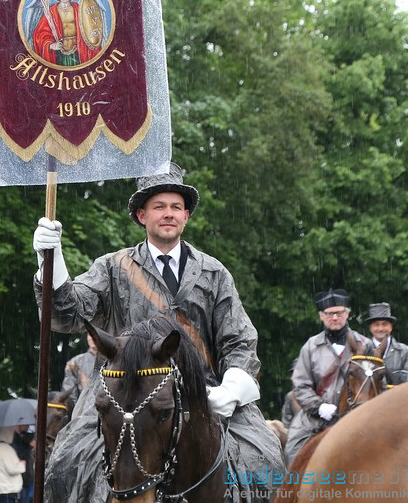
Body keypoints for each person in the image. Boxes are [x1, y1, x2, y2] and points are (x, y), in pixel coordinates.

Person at [32, 162, 285, 501]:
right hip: (124, 392)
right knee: (65, 466)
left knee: (266, 464)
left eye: (176, 207)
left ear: (186, 216)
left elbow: (238, 339)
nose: (169, 214)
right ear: (141, 215)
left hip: (205, 394)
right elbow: (66, 316)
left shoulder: (214, 272)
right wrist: (51, 262)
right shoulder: (112, 266)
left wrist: (233, 387)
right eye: (159, 207)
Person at [283, 289, 374, 463]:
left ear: (347, 314)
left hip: (356, 418)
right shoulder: (311, 346)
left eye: (339, 313)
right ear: (321, 316)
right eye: (329, 314)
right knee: (292, 455)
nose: (334, 318)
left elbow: (375, 384)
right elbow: (300, 385)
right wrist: (319, 407)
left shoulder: (365, 345)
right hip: (314, 420)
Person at [31, 0, 101, 66]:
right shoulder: (51, 11)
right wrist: (52, 45)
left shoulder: (79, 9)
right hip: (60, 53)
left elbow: (91, 26)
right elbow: (40, 33)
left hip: (78, 51)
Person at [364, 302, 408, 386]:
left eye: (384, 324)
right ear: (370, 328)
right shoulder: (363, 352)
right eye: (376, 325)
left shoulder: (405, 352)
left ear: (391, 326)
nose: (381, 328)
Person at [60, 332, 101, 400]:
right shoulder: (75, 363)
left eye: (97, 334)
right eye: (90, 334)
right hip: (81, 408)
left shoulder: (114, 362)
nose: (93, 338)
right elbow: (70, 395)